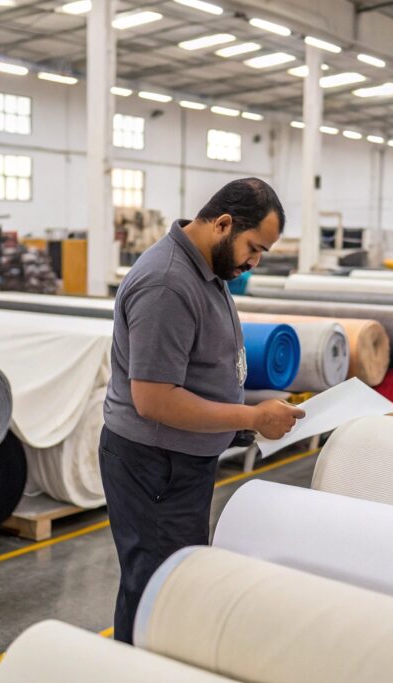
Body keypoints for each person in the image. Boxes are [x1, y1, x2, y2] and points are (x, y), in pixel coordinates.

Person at [100, 177, 304, 643]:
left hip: (178, 462)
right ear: (224, 224)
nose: (254, 261)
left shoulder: (205, 270)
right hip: (155, 466)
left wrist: (251, 408)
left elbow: (200, 367)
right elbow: (154, 399)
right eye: (254, 248)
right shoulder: (168, 283)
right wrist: (251, 418)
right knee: (158, 587)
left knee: (166, 581)